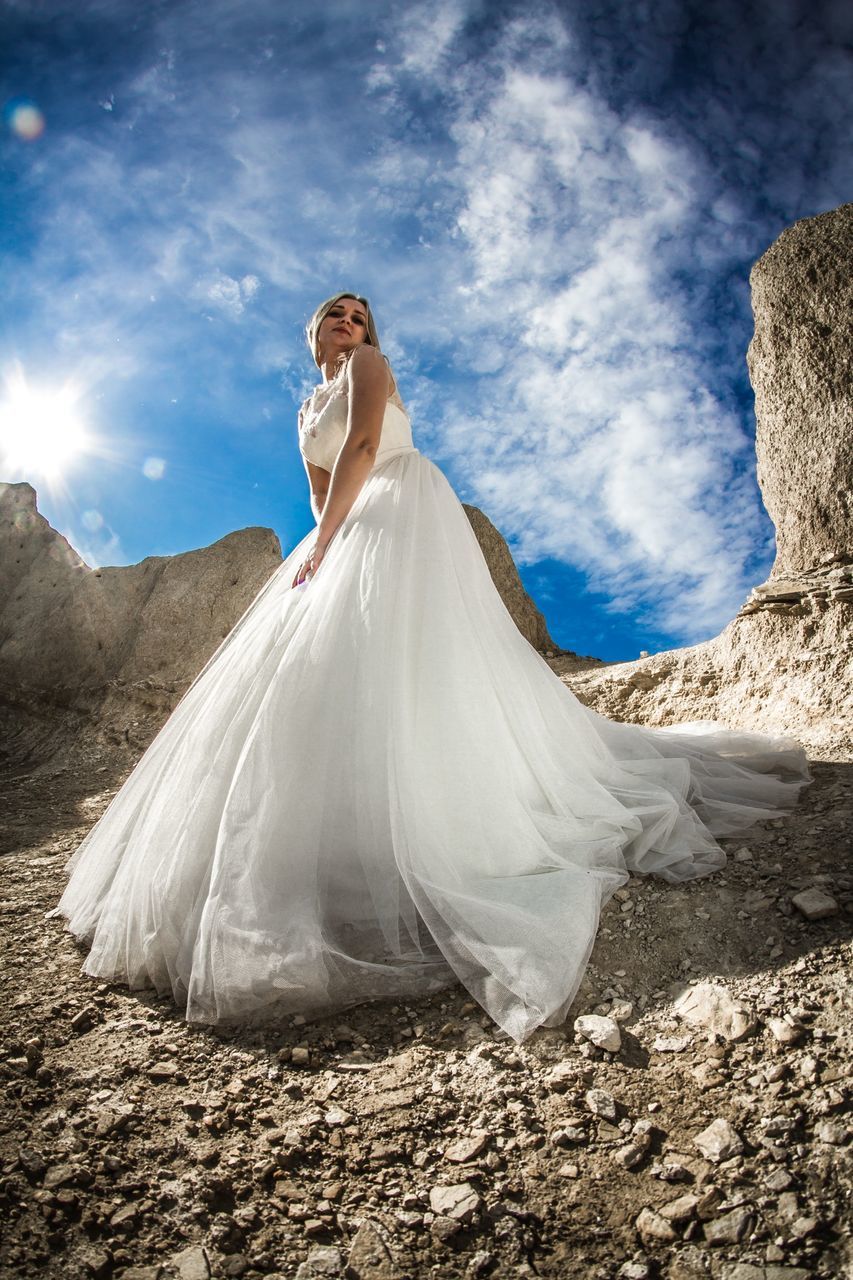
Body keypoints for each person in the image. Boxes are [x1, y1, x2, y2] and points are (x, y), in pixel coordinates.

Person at [55, 291, 810, 1044]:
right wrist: (322, 544)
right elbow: (319, 490)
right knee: (328, 672)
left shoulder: (370, 367)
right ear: (312, 333)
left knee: (421, 657)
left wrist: (326, 541)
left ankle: (448, 822)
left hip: (400, 506)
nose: (348, 322)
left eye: (358, 315)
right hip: (346, 524)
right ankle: (354, 842)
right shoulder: (303, 411)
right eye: (335, 315)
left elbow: (360, 449)